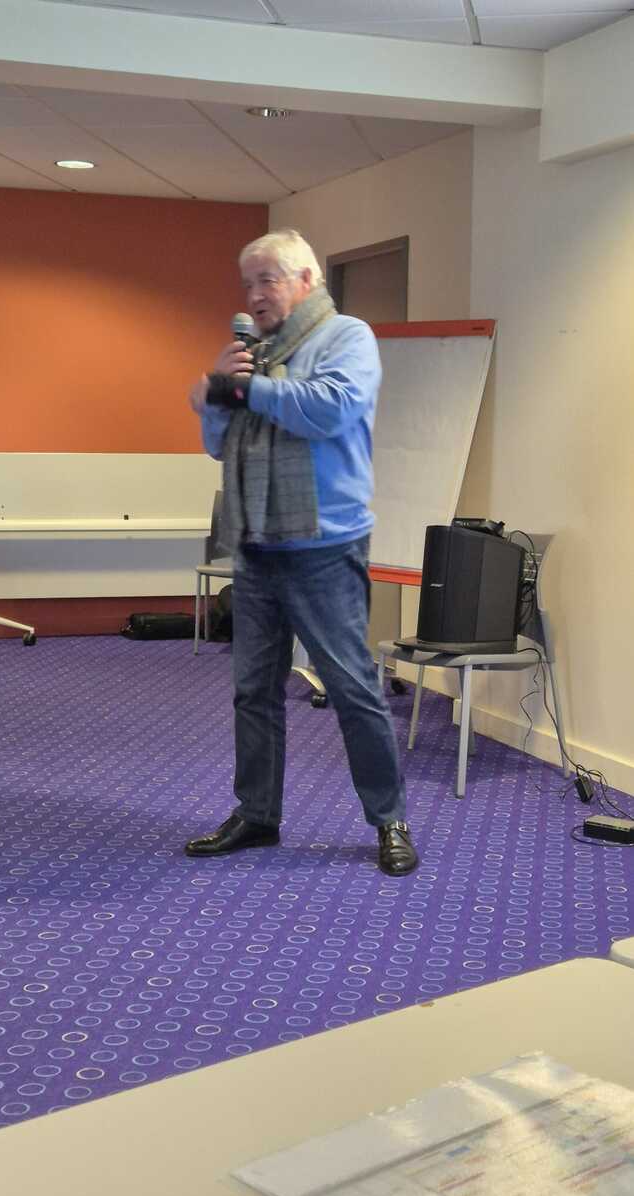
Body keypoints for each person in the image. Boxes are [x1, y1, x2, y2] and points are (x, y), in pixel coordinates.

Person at [185, 229, 418, 877]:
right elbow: (218, 442)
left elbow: (328, 409)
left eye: (268, 279)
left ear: (307, 280)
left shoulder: (347, 337)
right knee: (253, 691)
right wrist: (214, 398)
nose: (255, 295)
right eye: (247, 283)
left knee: (351, 687)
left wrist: (240, 389)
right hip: (257, 544)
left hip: (325, 546)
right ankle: (257, 814)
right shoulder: (251, 353)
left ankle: (390, 819)